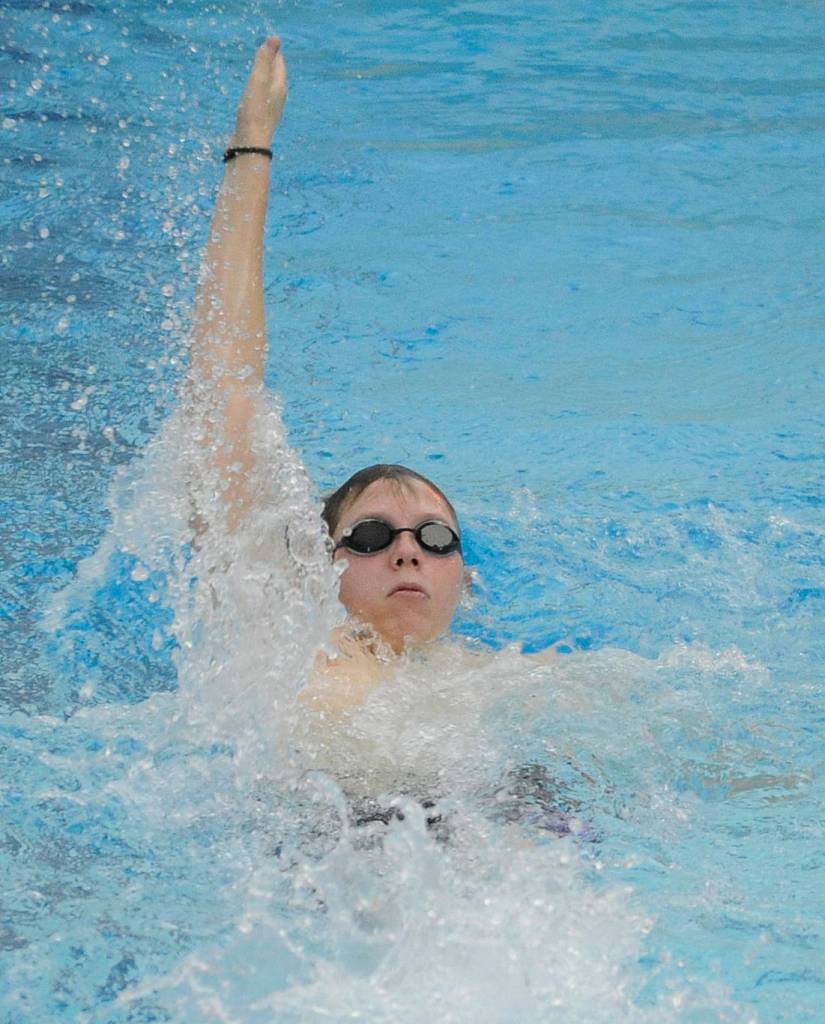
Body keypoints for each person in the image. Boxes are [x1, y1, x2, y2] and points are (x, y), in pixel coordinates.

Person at [186, 37, 476, 717]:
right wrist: (251, 147)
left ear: (465, 577)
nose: (407, 554)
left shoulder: (500, 682)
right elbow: (223, 388)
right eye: (372, 536)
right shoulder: (282, 643)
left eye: (435, 538)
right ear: (322, 566)